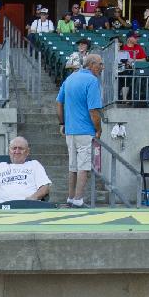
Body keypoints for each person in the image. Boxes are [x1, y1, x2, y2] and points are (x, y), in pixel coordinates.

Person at [57, 54, 103, 207]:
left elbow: (58, 103)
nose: (102, 67)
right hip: (85, 130)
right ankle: (78, 200)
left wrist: (62, 123)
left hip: (70, 130)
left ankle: (70, 198)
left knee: (73, 166)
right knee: (83, 167)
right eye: (100, 64)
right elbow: (93, 111)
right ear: (91, 65)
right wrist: (98, 129)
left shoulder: (70, 78)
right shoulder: (92, 80)